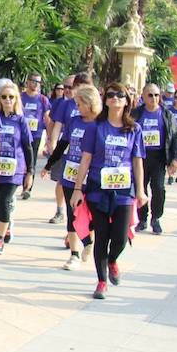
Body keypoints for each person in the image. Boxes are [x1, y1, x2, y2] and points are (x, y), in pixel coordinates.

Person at [71, 84, 145, 299]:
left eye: (119, 95)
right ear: (105, 100)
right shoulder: (95, 127)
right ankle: (101, 281)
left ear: (126, 101)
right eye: (110, 95)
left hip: (123, 191)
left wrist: (140, 191)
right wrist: (77, 188)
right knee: (102, 236)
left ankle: (113, 260)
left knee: (120, 237)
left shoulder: (134, 129)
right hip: (97, 190)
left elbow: (137, 161)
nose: (114, 98)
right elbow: (85, 159)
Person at [42, 83, 100, 270]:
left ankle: (88, 241)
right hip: (71, 173)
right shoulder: (74, 122)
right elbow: (63, 144)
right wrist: (49, 164)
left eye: (79, 104)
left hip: (91, 176)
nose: (77, 108)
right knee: (71, 213)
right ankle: (73, 254)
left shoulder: (100, 124)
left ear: (90, 103)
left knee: (90, 215)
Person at [0, 82, 33, 255]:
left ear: (16, 99)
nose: (8, 100)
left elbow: (28, 146)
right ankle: (5, 224)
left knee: (5, 200)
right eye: (4, 97)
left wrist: (30, 172)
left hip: (14, 168)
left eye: (11, 97)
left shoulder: (20, 120)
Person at [44, 73, 90, 225]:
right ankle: (60, 210)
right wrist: (53, 143)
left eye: (72, 87)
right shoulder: (66, 104)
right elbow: (56, 124)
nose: (69, 90)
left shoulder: (95, 104)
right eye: (67, 87)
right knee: (62, 181)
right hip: (67, 150)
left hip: (87, 153)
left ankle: (81, 220)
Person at [132, 84, 177, 235]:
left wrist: (174, 159)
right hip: (140, 157)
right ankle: (142, 218)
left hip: (158, 157)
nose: (154, 98)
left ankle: (156, 218)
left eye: (157, 95)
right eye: (150, 95)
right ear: (143, 97)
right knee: (140, 188)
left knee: (158, 188)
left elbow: (174, 137)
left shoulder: (166, 115)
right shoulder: (136, 114)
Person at [19, 74, 51, 199]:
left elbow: (47, 118)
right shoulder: (21, 97)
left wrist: (49, 138)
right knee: (21, 159)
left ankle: (27, 188)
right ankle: (21, 182)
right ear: (27, 82)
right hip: (21, 134)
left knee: (32, 160)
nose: (36, 84)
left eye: (38, 82)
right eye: (33, 81)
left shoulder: (43, 99)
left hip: (36, 135)